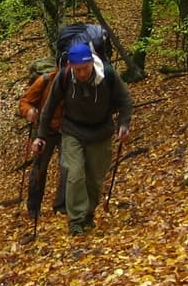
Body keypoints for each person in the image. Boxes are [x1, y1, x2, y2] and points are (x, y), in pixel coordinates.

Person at [35, 40, 133, 235]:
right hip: (73, 131)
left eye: (85, 69)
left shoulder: (107, 75)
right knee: (75, 174)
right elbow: (49, 108)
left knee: (95, 179)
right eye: (77, 69)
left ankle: (88, 215)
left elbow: (125, 100)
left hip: (101, 132)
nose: (82, 73)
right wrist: (41, 137)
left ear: (91, 63)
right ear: (70, 66)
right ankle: (76, 221)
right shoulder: (63, 78)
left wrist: (123, 124)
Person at [18, 66, 65, 219]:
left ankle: (62, 206)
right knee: (40, 167)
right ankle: (34, 207)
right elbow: (25, 101)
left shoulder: (76, 80)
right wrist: (29, 111)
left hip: (66, 130)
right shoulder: (45, 80)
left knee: (68, 166)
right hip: (44, 132)